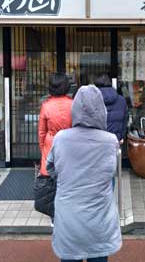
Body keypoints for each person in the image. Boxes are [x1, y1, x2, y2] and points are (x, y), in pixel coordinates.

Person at [46, 85, 122, 262]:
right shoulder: (110, 141)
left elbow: (51, 168)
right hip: (99, 216)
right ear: (101, 110)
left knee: (69, 256)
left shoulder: (61, 139)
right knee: (99, 255)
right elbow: (111, 171)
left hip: (69, 216)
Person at [38, 73, 72, 177]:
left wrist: (43, 148)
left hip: (51, 142)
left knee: (49, 174)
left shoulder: (46, 105)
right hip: (69, 142)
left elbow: (42, 132)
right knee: (68, 173)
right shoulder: (73, 104)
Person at [94, 74, 128, 143]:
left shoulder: (93, 99)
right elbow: (125, 122)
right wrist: (121, 137)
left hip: (97, 141)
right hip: (115, 140)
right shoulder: (121, 100)